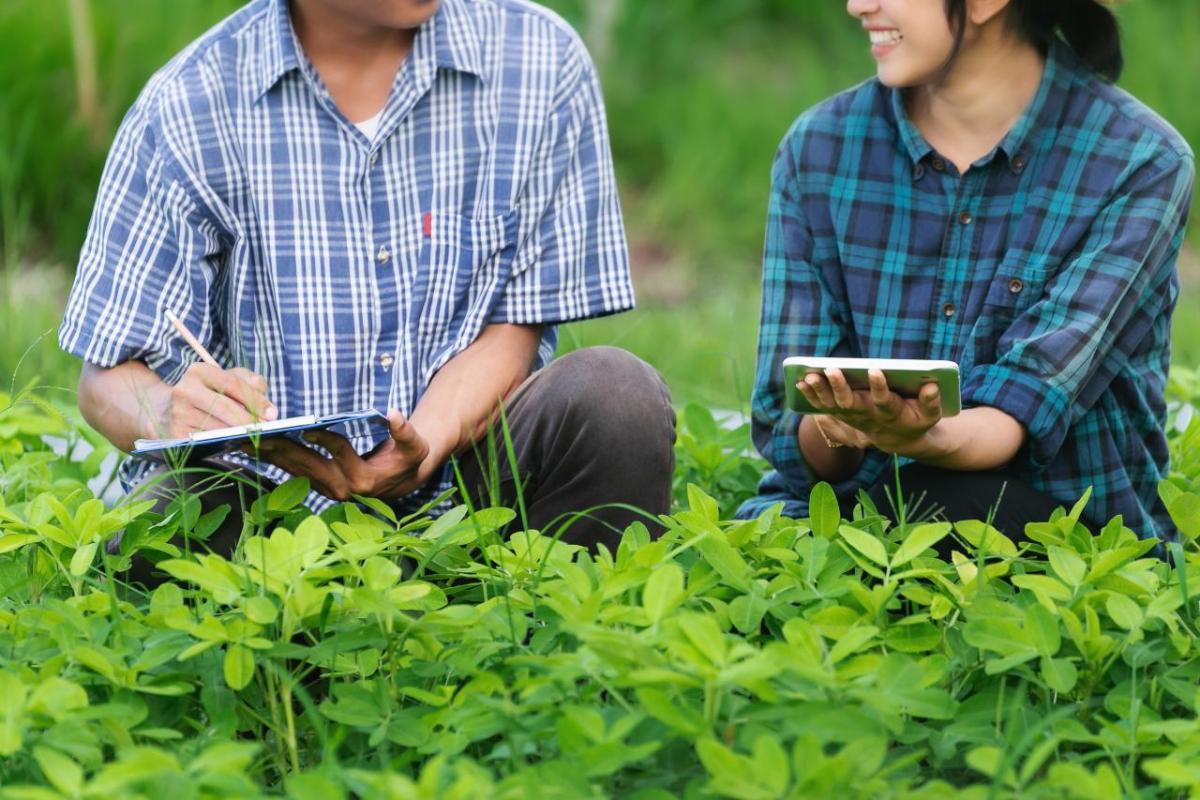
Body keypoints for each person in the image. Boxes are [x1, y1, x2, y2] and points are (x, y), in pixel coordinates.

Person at [59, 0, 676, 572]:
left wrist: (426, 443)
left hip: (474, 498)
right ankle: (269, 675)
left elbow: (515, 325)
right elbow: (104, 377)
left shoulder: (538, 60)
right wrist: (167, 410)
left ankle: (555, 650)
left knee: (615, 396)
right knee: (176, 505)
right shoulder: (190, 102)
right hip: (268, 515)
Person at [738, 0, 1195, 549]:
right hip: (848, 527)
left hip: (1054, 541)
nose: (856, 5)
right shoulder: (817, 148)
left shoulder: (1138, 160)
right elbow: (791, 434)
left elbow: (1025, 405)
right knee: (781, 543)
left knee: (949, 504)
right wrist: (843, 425)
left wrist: (923, 435)